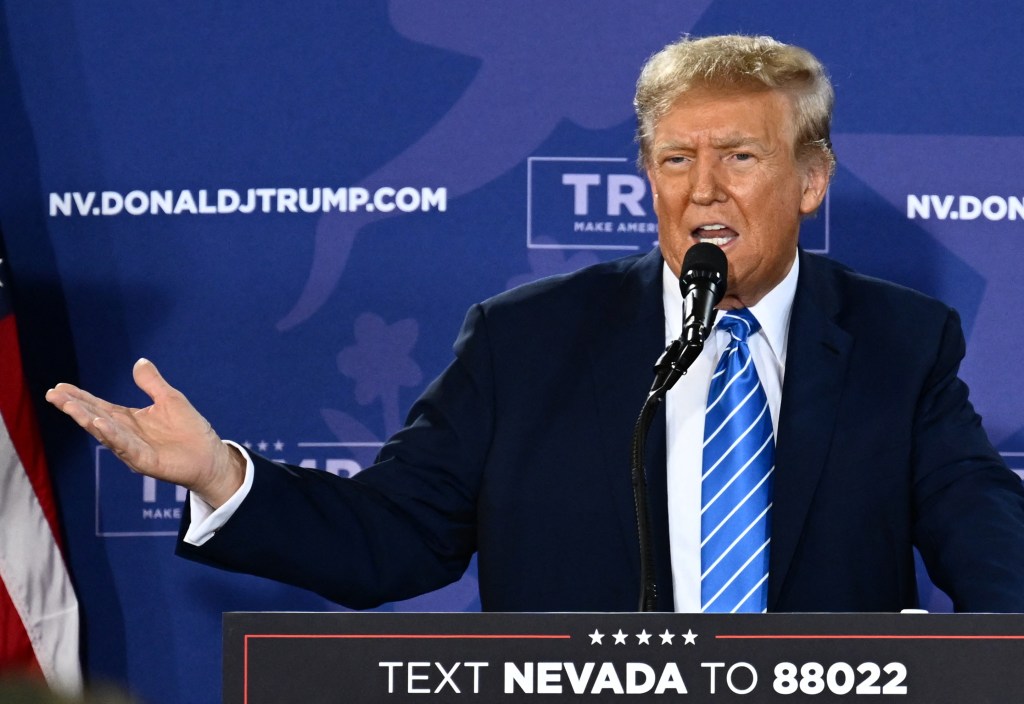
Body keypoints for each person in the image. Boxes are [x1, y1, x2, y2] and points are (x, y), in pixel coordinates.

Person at [47, 34, 1024, 613]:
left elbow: (986, 539)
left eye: (738, 155)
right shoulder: (530, 341)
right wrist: (219, 472)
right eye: (674, 159)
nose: (701, 190)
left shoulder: (900, 340)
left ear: (810, 179)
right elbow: (393, 536)